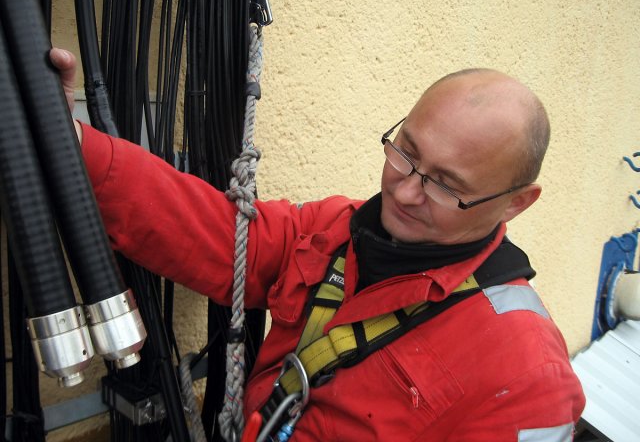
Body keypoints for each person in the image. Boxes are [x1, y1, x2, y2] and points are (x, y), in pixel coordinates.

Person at [50, 48, 585, 441]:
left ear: (516, 203)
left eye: (446, 185)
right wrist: (74, 145)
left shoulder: (527, 377)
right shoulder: (336, 229)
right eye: (406, 151)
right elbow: (220, 235)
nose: (403, 190)